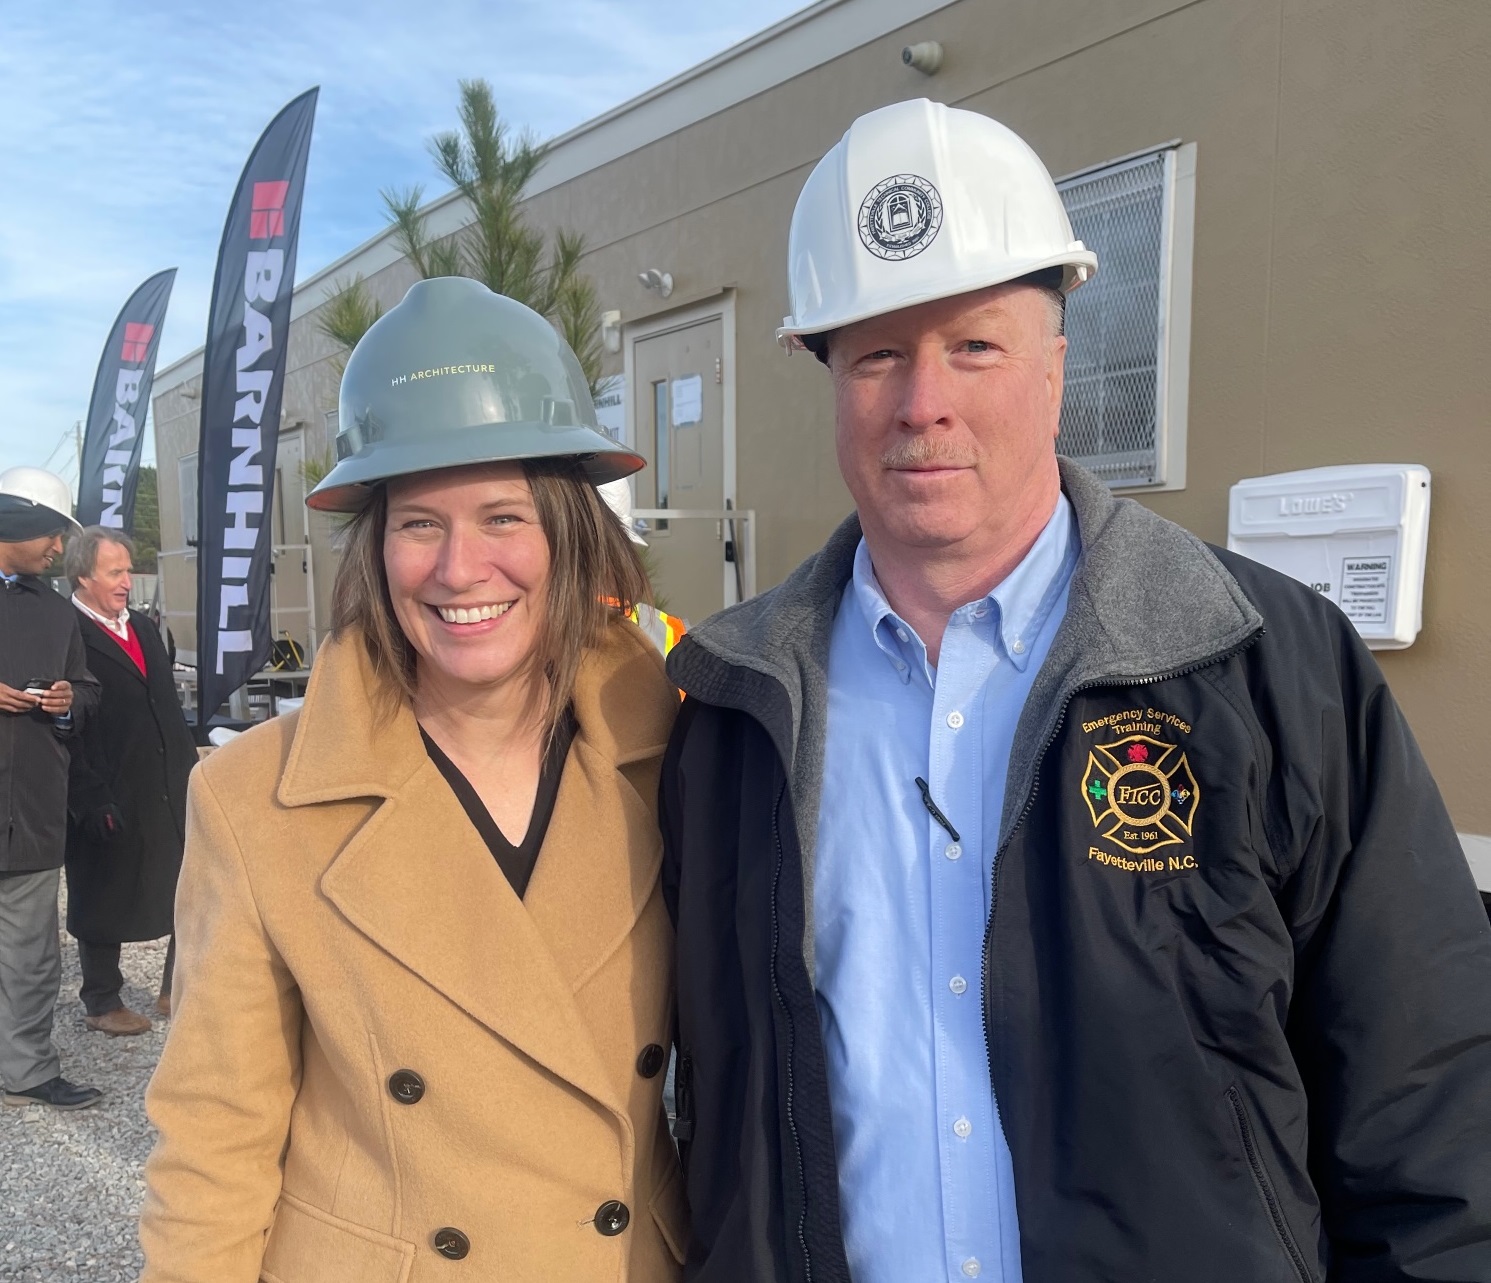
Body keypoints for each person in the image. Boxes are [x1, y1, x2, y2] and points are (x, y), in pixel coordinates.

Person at [660, 99, 1491, 1282]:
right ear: (824, 373)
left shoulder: (1263, 664)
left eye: (975, 345)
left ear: (1059, 364)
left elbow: (1432, 1104)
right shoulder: (737, 714)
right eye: (878, 352)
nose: (922, 402)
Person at [141, 277, 688, 1282]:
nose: (458, 567)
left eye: (501, 516)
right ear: (377, 545)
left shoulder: (683, 754)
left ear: (568, 533)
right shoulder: (255, 800)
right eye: (419, 523)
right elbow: (214, 1133)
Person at [63, 526, 195, 1035]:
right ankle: (101, 1001)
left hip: (167, 777)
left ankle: (174, 986)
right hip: (105, 783)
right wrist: (89, 794)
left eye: (127, 570)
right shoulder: (68, 633)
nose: (126, 581)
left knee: (189, 879)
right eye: (114, 572)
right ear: (82, 575)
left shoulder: (142, 627)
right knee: (103, 887)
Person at [0, 467, 102, 1111]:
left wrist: (68, 701)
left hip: (33, 808)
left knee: (32, 954)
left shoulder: (56, 611)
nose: (59, 550)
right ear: (18, 521)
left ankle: (27, 1070)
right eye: (53, 534)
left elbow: (87, 689)